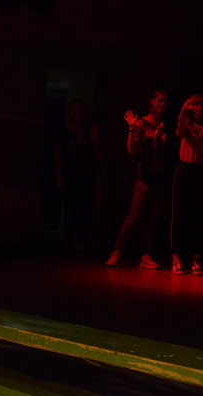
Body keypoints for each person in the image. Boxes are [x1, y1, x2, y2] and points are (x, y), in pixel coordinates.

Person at [107, 90, 172, 268]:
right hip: (144, 176)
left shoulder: (167, 126)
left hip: (160, 177)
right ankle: (117, 252)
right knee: (133, 215)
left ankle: (145, 255)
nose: (162, 105)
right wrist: (131, 127)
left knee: (153, 218)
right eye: (159, 101)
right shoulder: (142, 123)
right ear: (152, 102)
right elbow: (131, 150)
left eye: (165, 102)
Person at [170, 94, 203, 274]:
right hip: (186, 169)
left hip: (202, 171)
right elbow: (178, 130)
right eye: (196, 104)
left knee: (198, 217)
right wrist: (185, 108)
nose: (200, 108)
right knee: (179, 215)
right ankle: (176, 259)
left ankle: (195, 260)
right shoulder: (186, 125)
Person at [55, 100, 101, 251]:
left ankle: (82, 241)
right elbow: (58, 154)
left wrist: (95, 140)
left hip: (87, 177)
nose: (77, 113)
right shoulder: (65, 132)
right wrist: (59, 176)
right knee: (70, 209)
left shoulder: (89, 131)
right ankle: (68, 241)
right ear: (70, 113)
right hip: (70, 176)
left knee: (86, 209)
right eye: (74, 110)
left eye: (79, 110)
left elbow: (97, 156)